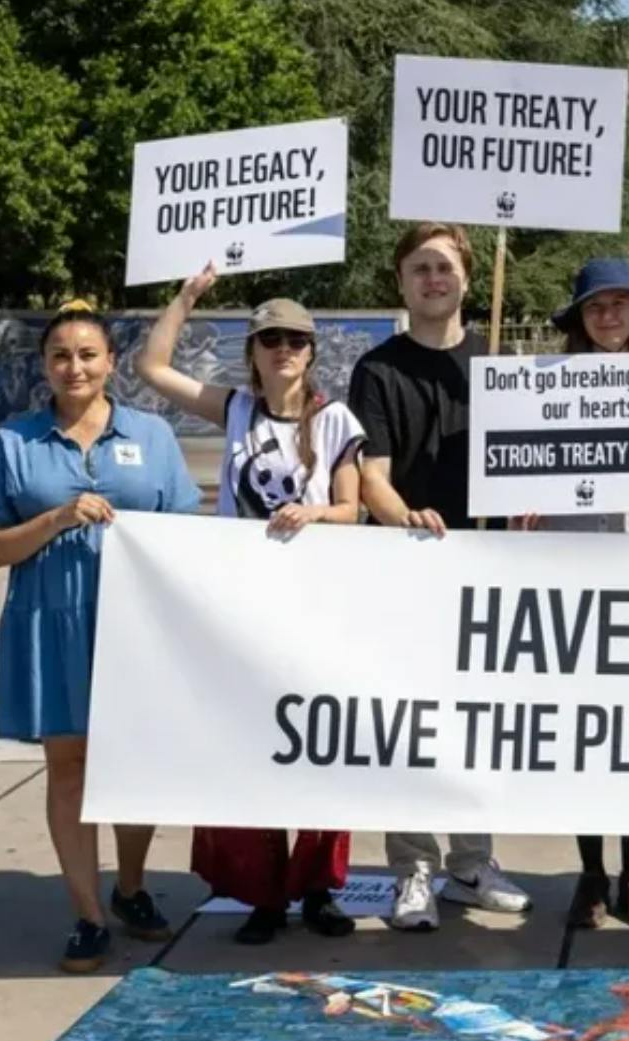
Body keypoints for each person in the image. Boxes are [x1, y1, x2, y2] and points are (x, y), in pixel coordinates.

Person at [0, 301, 201, 973]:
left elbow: (187, 529)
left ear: (111, 363)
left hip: (137, 624)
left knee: (134, 763)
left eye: (88, 354)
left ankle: (131, 886)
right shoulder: (14, 442)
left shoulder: (151, 435)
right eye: (61, 356)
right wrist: (57, 518)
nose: (75, 367)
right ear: (45, 366)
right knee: (68, 765)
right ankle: (88, 913)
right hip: (51, 618)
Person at [137, 267, 363, 945]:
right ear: (254, 351)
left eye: (295, 340)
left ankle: (318, 886)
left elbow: (352, 509)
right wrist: (186, 298)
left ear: (311, 351)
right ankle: (263, 893)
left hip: (319, 604)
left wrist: (314, 513)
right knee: (250, 746)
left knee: (320, 743)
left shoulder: (336, 420)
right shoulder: (235, 408)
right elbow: (152, 369)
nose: (283, 350)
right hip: (241, 604)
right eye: (271, 340)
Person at [350, 222, 532, 931]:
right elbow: (372, 475)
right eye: (420, 268)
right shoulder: (377, 370)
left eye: (445, 267)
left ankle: (473, 862)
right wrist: (407, 520)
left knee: (476, 722)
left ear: (467, 278)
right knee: (409, 724)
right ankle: (412, 869)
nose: (434, 279)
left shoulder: (499, 364)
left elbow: (534, 466)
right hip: (407, 569)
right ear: (402, 281)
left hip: (486, 570)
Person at [550, 257, 629, 930]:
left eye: (619, 304)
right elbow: (524, 471)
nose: (608, 316)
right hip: (575, 582)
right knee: (582, 739)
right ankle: (591, 871)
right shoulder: (546, 386)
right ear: (579, 318)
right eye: (596, 306)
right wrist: (523, 509)